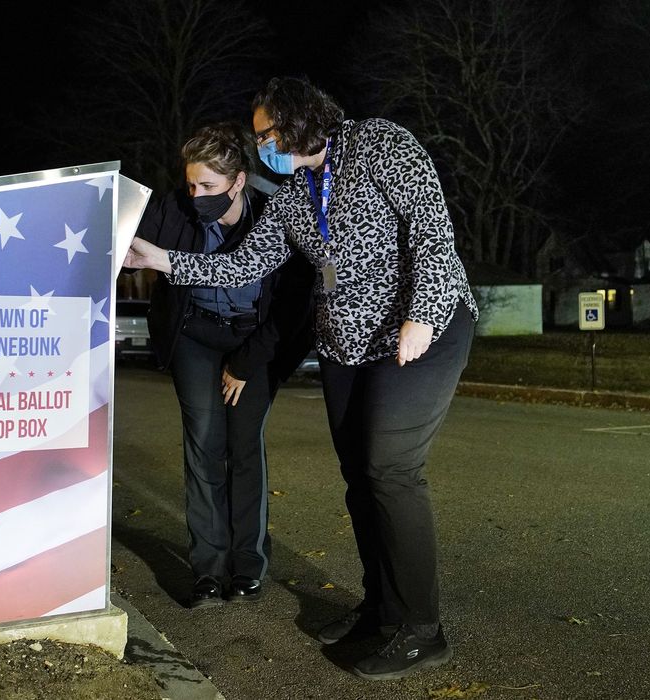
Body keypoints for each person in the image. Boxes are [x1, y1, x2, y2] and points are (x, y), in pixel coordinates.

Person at [125, 77, 478, 681]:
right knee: (359, 478)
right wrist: (160, 260)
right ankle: (381, 609)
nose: (262, 147)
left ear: (301, 121)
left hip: (420, 333)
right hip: (346, 347)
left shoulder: (380, 145)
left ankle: (421, 628)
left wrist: (420, 315)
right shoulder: (292, 198)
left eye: (267, 135)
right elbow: (241, 263)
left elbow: (431, 229)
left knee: (390, 470)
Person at [133, 122, 315, 610]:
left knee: (243, 447)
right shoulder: (173, 209)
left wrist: (247, 363)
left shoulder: (279, 215)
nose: (197, 196)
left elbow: (293, 307)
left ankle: (249, 565)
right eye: (192, 184)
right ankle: (209, 570)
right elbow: (127, 243)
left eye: (209, 186)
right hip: (195, 335)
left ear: (237, 182)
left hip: (254, 341)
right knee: (203, 448)